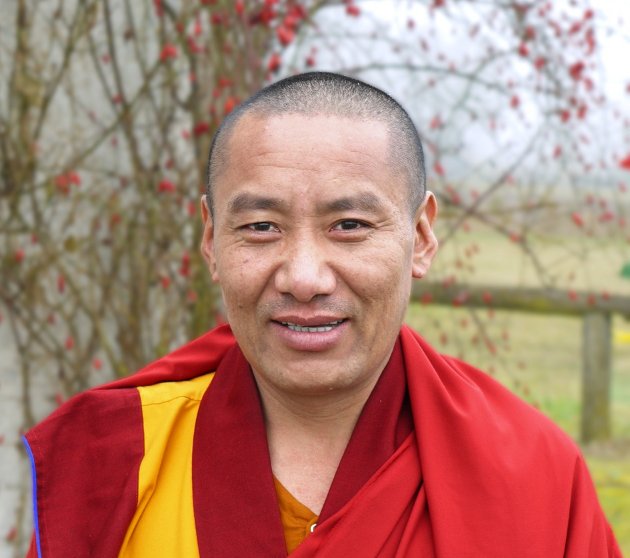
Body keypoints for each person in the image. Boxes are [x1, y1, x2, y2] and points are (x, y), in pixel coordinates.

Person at [23, 72, 621, 557]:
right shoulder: (114, 461)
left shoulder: (530, 472)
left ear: (421, 237)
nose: (304, 278)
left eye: (350, 226)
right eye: (261, 227)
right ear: (210, 240)